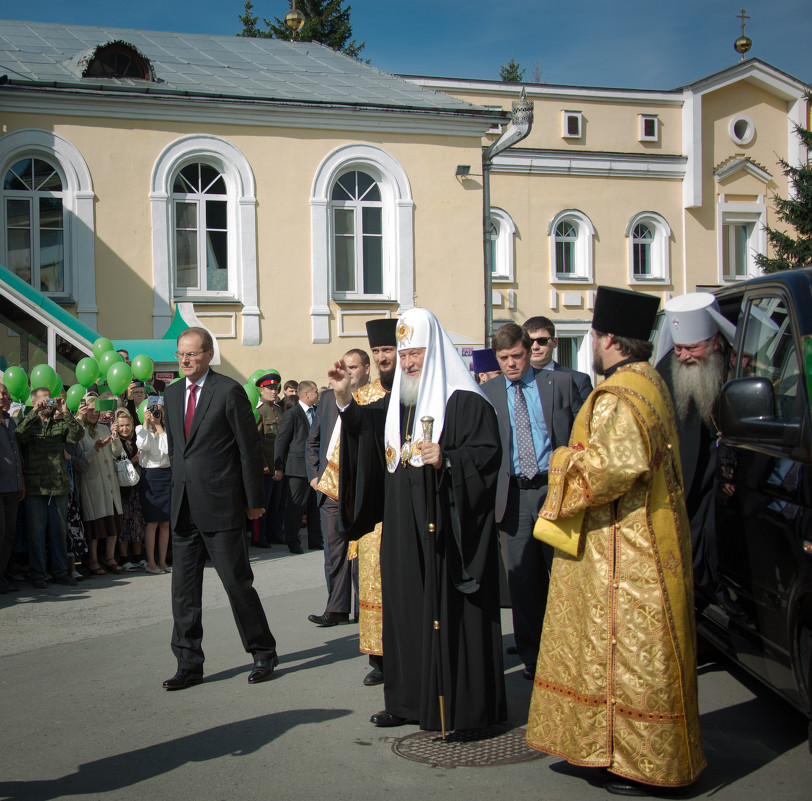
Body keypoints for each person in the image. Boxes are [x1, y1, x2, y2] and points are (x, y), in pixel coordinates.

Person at [525, 286, 706, 794]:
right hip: (651, 533)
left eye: (596, 335)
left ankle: (630, 759)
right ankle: (622, 751)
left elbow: (610, 468)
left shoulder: (621, 394)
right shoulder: (651, 382)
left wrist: (561, 462)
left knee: (624, 652)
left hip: (627, 551)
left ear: (608, 339)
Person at [332, 307, 506, 731]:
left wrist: (448, 458)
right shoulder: (400, 403)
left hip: (446, 529)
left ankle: (461, 710)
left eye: (416, 354)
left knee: (445, 614)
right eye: (404, 354)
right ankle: (407, 700)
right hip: (402, 529)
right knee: (405, 612)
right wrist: (342, 396)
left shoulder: (464, 401)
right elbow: (367, 428)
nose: (408, 363)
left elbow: (486, 458)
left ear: (438, 353)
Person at [162, 326, 277, 690]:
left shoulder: (228, 391)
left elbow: (248, 450)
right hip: (184, 507)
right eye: (181, 354)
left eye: (192, 354)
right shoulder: (171, 393)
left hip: (222, 507)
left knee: (236, 584)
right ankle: (188, 662)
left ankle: (262, 651)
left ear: (209, 354)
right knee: (183, 591)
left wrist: (254, 502)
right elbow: (181, 451)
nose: (185, 360)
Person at [480, 323, 582, 678]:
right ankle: (535, 658)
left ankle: (569, 650)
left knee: (563, 575)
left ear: (529, 352)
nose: (511, 364)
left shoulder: (560, 385)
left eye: (518, 356)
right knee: (523, 583)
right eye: (504, 358)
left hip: (553, 491)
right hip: (514, 498)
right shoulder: (487, 392)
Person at [655, 292, 736, 609]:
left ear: (715, 342)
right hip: (687, 488)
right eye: (678, 348)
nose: (684, 356)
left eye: (692, 348)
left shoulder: (732, 365)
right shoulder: (667, 372)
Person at [348, 318, 398, 687]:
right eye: (377, 351)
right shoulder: (363, 398)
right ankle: (378, 660)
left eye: (388, 350)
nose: (383, 357)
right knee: (373, 582)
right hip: (373, 507)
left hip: (406, 499)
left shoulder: (415, 391)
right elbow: (346, 454)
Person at [305, 349, 370, 626]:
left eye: (354, 367)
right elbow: (312, 441)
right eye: (346, 367)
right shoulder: (329, 398)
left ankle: (364, 608)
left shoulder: (376, 397)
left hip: (363, 489)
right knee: (335, 551)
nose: (349, 372)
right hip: (330, 487)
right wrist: (313, 475)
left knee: (364, 554)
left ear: (367, 369)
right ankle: (337, 609)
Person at [15, 386, 84, 589]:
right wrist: (34, 413)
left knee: (58, 532)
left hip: (58, 487)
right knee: (36, 534)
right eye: (42, 400)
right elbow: (19, 435)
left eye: (49, 400)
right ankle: (38, 574)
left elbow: (77, 435)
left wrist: (65, 412)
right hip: (36, 488)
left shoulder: (58, 424)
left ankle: (61, 572)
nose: (47, 403)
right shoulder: (29, 424)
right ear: (34, 401)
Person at [75, 394, 124, 576]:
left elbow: (117, 452)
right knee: (95, 526)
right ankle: (93, 560)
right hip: (92, 483)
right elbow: (81, 461)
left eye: (96, 410)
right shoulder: (80, 431)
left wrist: (115, 435)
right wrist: (95, 449)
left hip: (110, 482)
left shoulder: (104, 428)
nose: (93, 414)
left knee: (112, 523)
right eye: (89, 410)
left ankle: (110, 558)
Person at [274, 380, 322, 554]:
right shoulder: (292, 414)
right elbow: (281, 441)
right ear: (306, 394)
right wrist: (278, 466)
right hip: (297, 468)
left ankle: (316, 540)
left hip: (315, 467)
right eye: (315, 391)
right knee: (296, 507)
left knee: (315, 507)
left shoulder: (317, 412)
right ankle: (292, 541)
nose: (318, 394)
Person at [522, 315, 593, 404]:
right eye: (530, 341)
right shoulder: (512, 381)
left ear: (555, 342)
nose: (535, 347)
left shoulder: (578, 380)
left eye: (542, 340)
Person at [136, 397, 171, 574]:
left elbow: (167, 450)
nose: (157, 413)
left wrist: (158, 425)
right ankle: (151, 562)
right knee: (152, 522)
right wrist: (146, 422)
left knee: (165, 522)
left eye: (160, 410)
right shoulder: (140, 429)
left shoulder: (167, 430)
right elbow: (142, 446)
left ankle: (163, 561)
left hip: (166, 475)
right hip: (150, 476)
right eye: (153, 409)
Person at [255, 371, 286, 547]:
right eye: (269, 388)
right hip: (267, 467)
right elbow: (256, 442)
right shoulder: (260, 412)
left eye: (275, 388)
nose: (273, 392)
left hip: (280, 466)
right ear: (261, 390)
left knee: (277, 503)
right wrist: (264, 465)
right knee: (264, 504)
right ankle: (261, 537)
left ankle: (275, 533)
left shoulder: (279, 410)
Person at [112, 407, 144, 571]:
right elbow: (117, 465)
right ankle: (124, 558)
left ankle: (138, 556)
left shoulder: (138, 439)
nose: (125, 429)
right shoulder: (117, 441)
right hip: (123, 488)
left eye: (127, 425)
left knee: (137, 521)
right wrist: (134, 460)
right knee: (124, 523)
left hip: (137, 487)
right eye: (121, 425)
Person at [0, 382, 24, 593]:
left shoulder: (11, 422)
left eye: (4, 393)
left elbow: (17, 455)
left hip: (12, 486)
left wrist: (21, 483)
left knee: (9, 533)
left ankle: (3, 575)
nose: (2, 396)